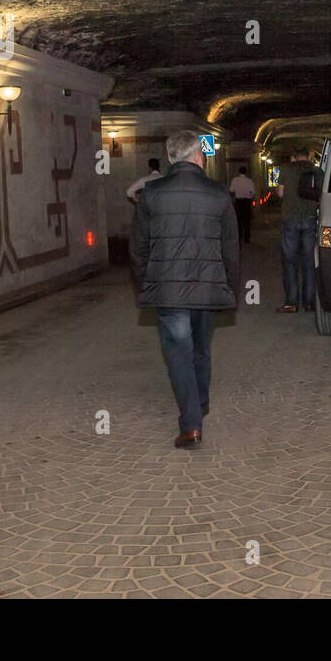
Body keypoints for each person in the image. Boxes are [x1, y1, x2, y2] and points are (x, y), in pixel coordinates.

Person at [130, 133, 239, 449]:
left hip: (168, 289)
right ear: (199, 157)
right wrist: (229, 285)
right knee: (202, 347)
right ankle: (199, 403)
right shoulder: (219, 194)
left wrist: (145, 282)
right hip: (207, 288)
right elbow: (231, 248)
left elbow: (138, 247)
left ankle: (191, 424)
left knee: (179, 353)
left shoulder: (151, 194)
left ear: (170, 159)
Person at [277, 152, 319, 313]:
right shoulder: (316, 170)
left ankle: (291, 303)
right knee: (309, 261)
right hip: (310, 218)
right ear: (309, 156)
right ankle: (309, 302)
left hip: (290, 219)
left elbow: (280, 193)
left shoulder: (286, 169)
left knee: (290, 261)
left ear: (292, 156)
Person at [229, 166, 255, 244]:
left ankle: (239, 237)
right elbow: (253, 192)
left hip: (239, 202)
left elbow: (231, 190)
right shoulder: (249, 181)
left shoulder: (235, 180)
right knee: (247, 221)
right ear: (246, 172)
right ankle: (247, 239)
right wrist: (249, 196)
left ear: (239, 172)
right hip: (247, 202)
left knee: (239, 220)